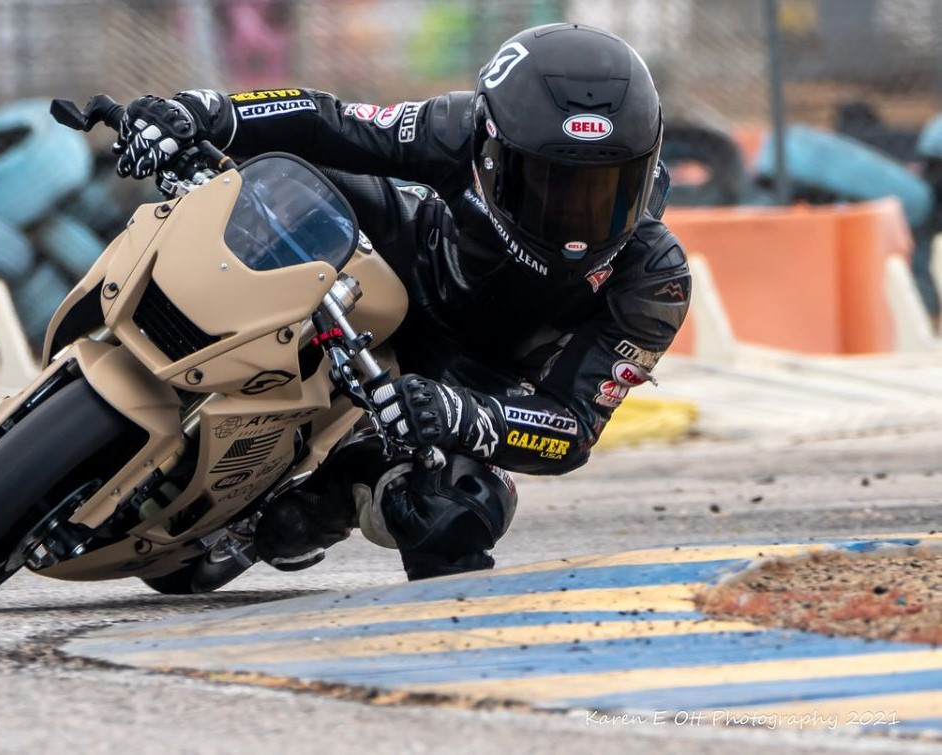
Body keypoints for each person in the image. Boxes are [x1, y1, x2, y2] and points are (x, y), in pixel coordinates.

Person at [109, 23, 691, 580]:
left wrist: (469, 415)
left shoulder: (654, 276)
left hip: (474, 376)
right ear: (489, 148)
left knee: (459, 512)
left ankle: (331, 497)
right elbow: (325, 121)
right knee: (282, 182)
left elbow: (573, 428)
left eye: (606, 190)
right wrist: (201, 114)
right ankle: (167, 327)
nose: (573, 222)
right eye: (544, 181)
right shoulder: (456, 127)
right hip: (410, 254)